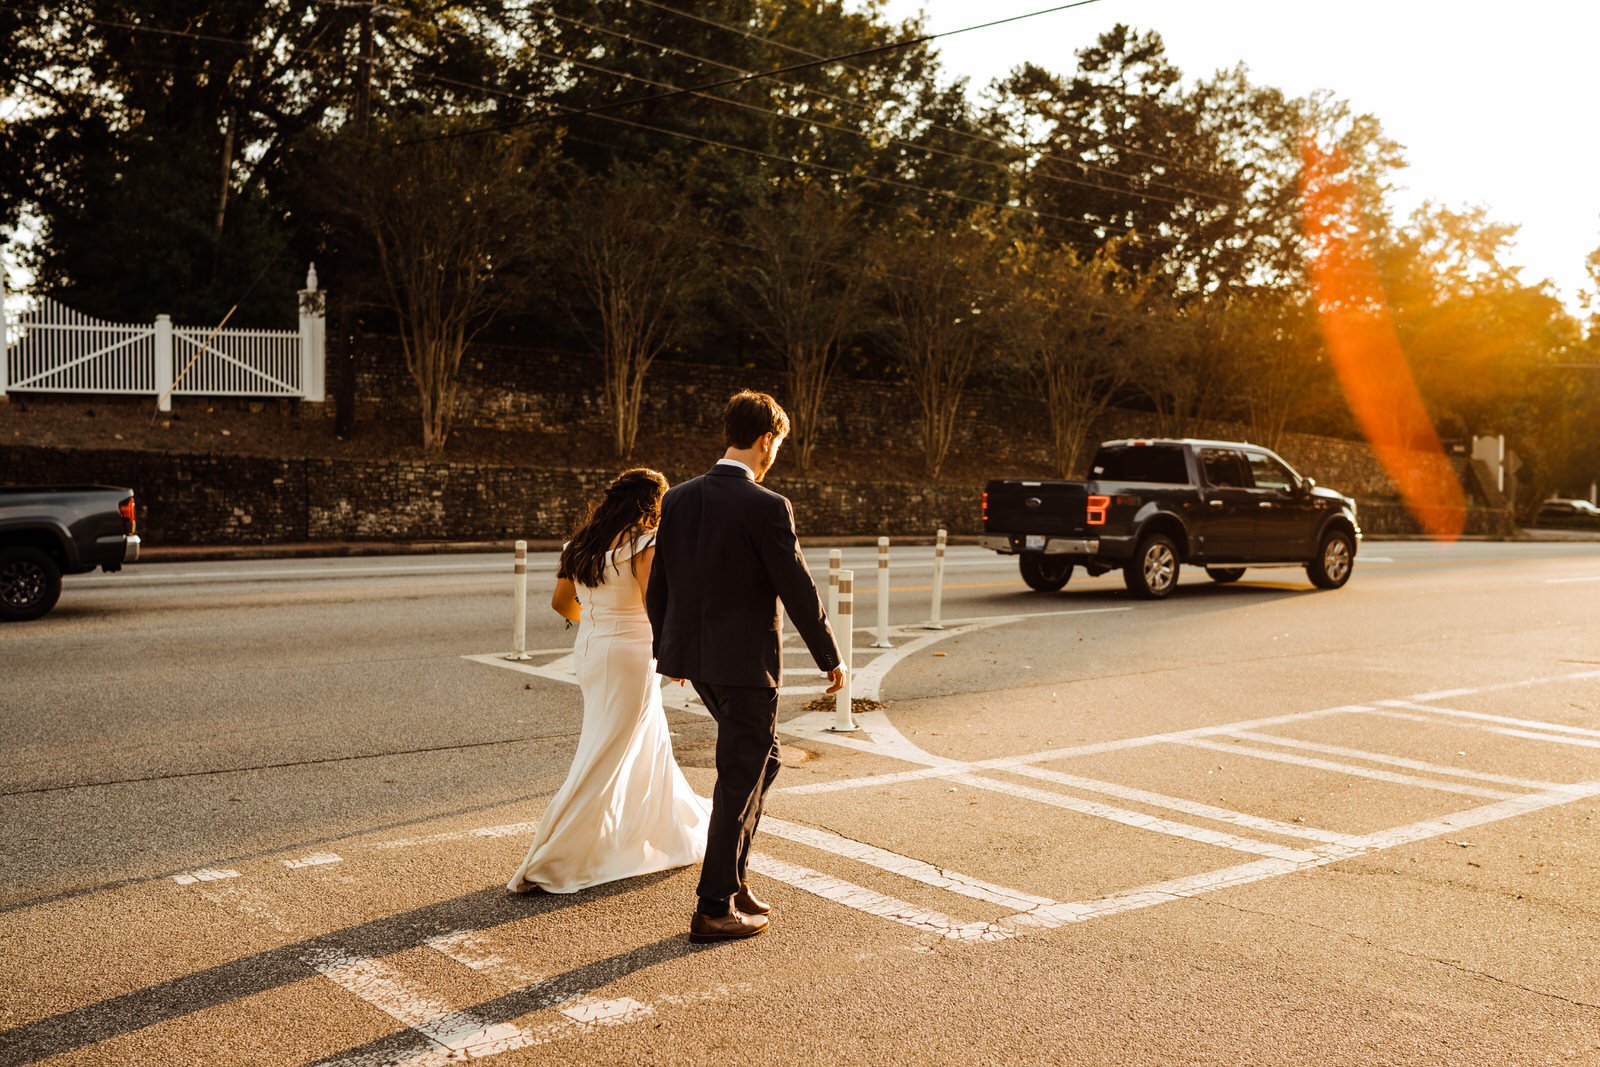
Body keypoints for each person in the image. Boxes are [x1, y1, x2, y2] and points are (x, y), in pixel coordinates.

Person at [646, 390, 846, 944]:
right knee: (740, 776)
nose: (776, 452)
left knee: (765, 760)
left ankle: (733, 882)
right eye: (778, 443)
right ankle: (713, 906)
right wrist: (829, 654)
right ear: (766, 441)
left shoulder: (680, 499)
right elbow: (797, 587)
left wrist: (673, 651)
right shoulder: (767, 505)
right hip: (748, 670)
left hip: (702, 664)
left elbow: (661, 584)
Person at [507, 468, 709, 895]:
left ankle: (665, 829)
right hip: (630, 654)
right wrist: (676, 657)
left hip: (591, 652)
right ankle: (554, 856)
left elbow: (562, 602)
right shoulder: (644, 544)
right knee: (607, 752)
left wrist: (598, 622)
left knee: (647, 743)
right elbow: (656, 606)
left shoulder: (582, 544)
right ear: (651, 504)